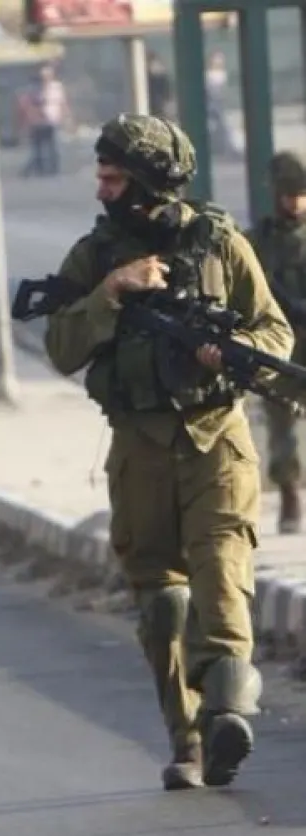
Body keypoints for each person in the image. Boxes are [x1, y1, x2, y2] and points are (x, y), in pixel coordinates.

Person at [42, 114, 292, 790]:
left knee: (222, 572)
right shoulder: (94, 257)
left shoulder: (218, 241)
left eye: (114, 178)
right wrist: (111, 292)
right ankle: (187, 740)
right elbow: (61, 347)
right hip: (138, 445)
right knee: (161, 604)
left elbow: (273, 327)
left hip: (217, 440)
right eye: (101, 175)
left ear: (150, 180)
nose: (102, 190)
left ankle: (226, 709)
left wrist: (237, 355)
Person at [246, 151, 306, 534]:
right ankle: (289, 493)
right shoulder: (259, 242)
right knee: (281, 422)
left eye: (301, 193)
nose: (295, 202)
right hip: (281, 343)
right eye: (288, 194)